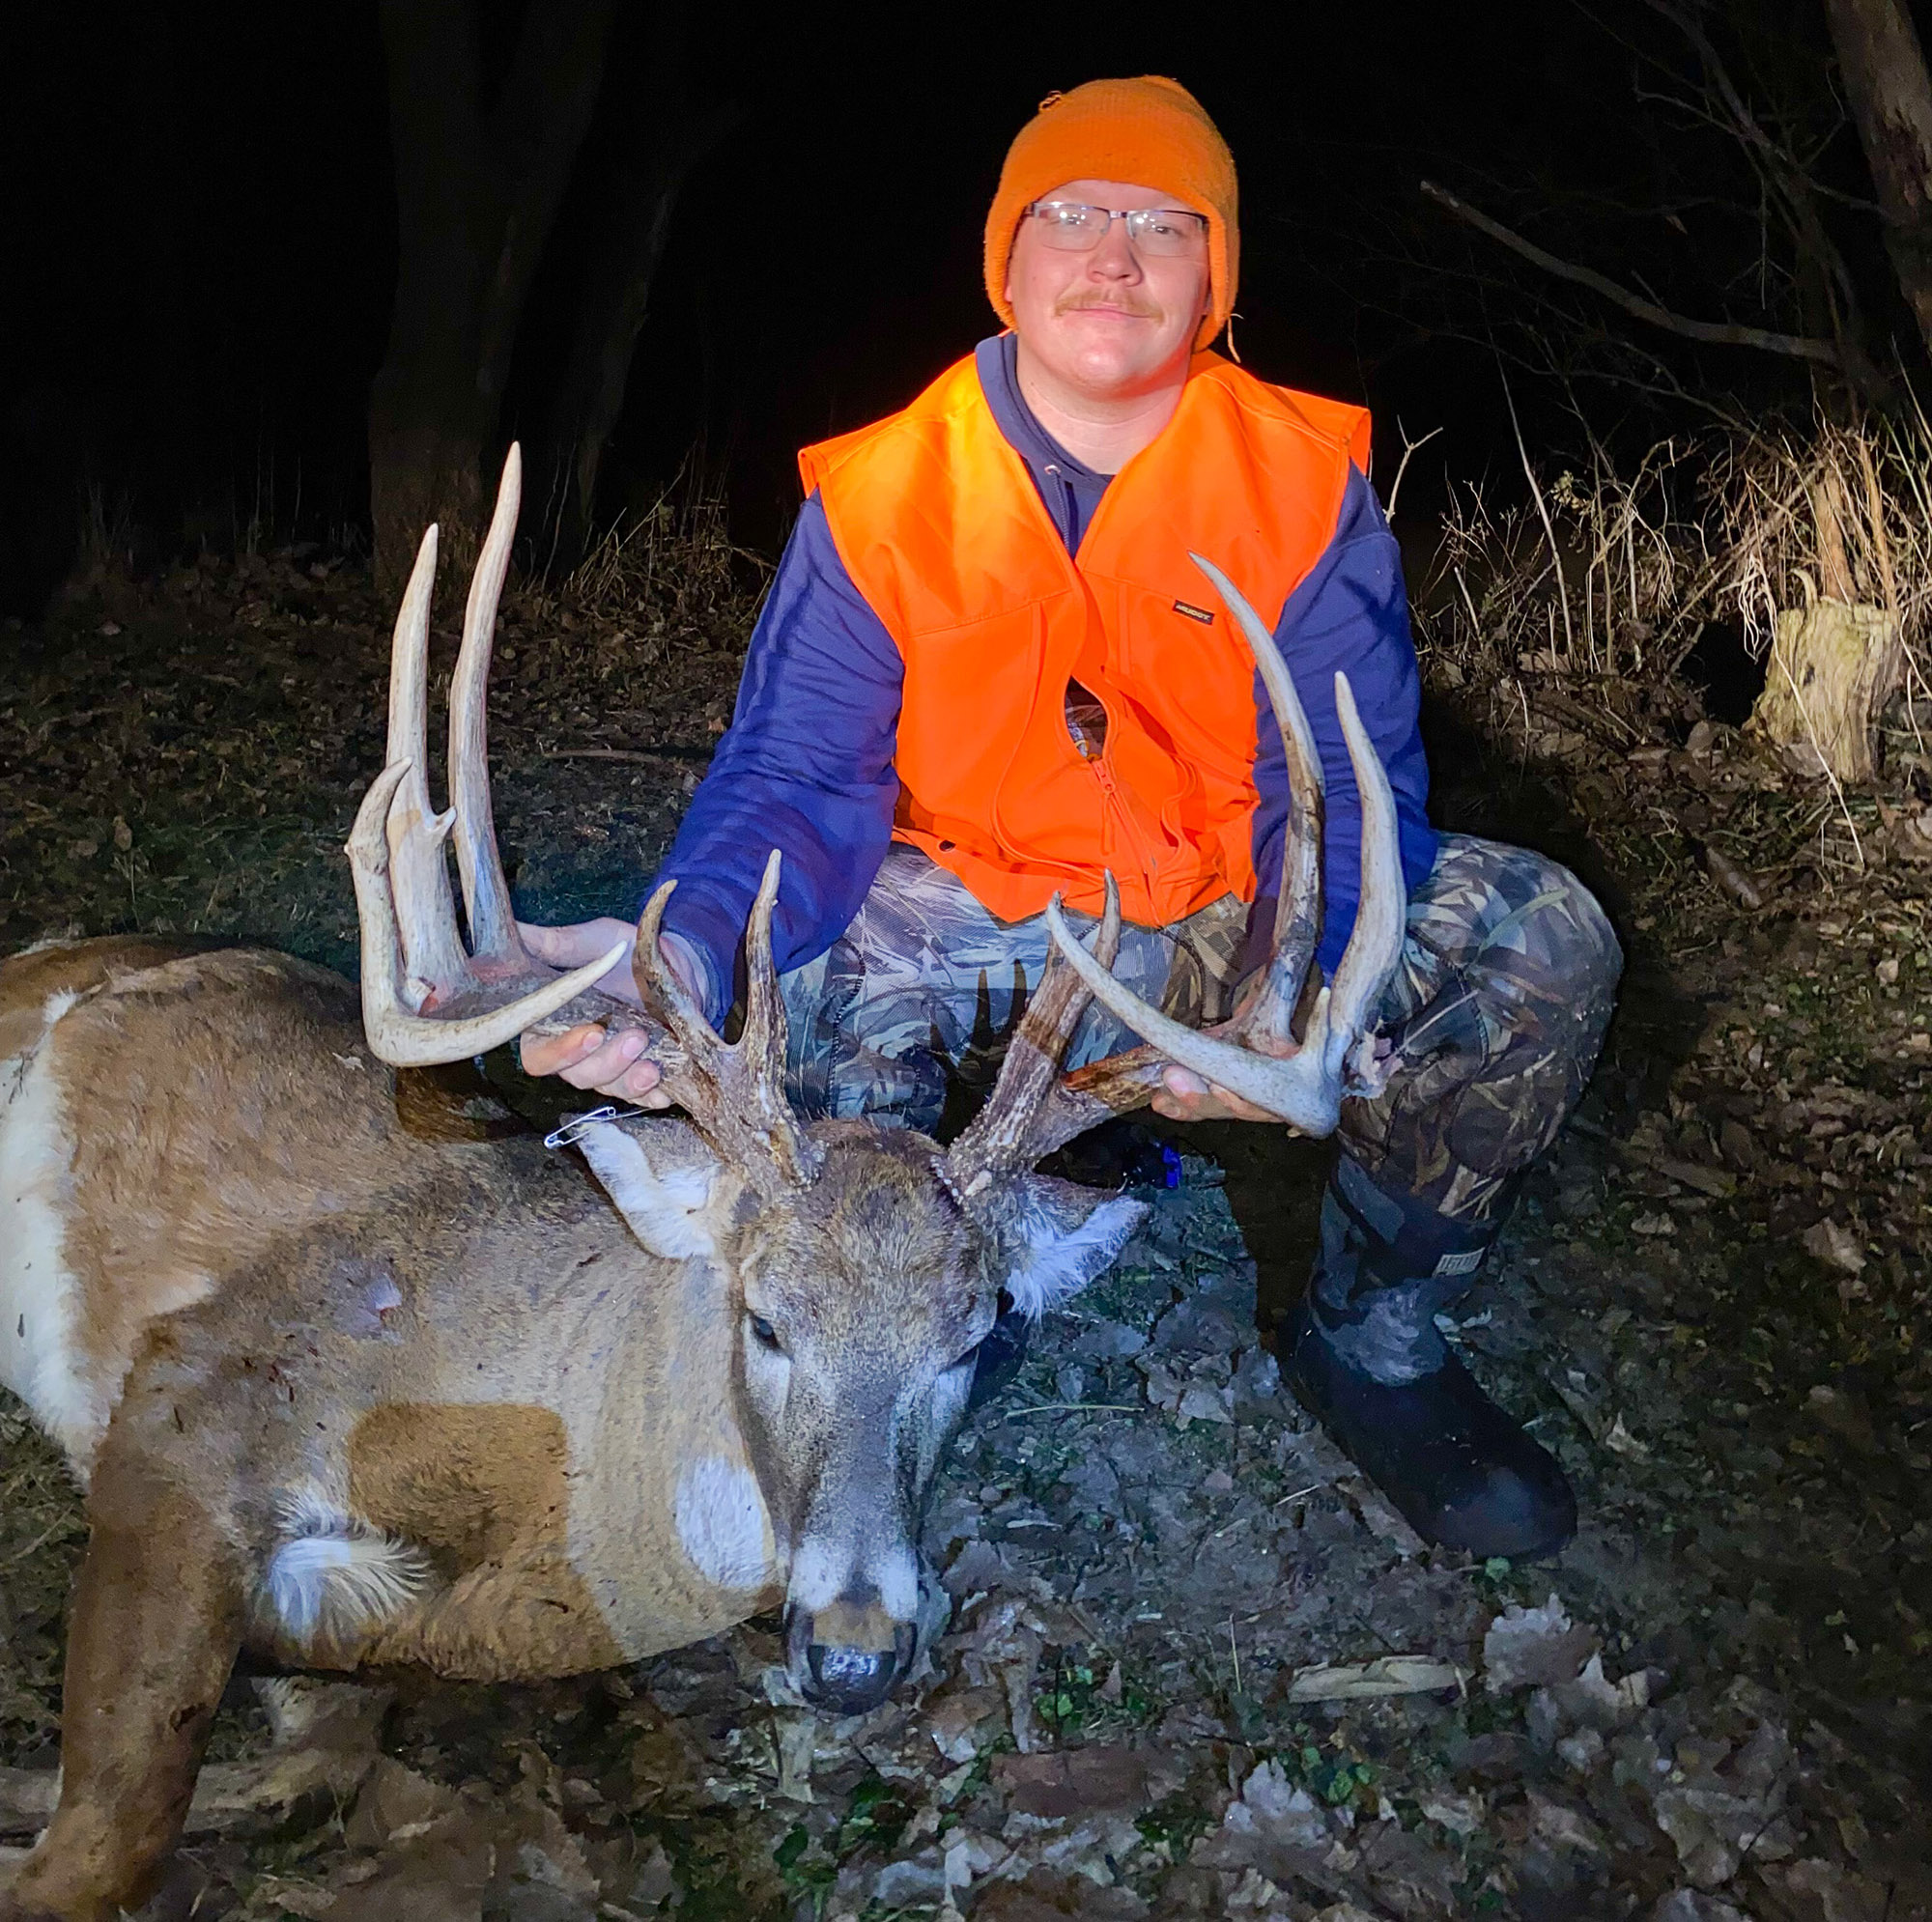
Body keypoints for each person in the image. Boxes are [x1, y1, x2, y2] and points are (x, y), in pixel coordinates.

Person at [518, 77, 1621, 1560]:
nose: (1114, 255)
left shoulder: (1300, 486)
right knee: (791, 982)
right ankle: (874, 1346)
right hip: (978, 915)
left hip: (1219, 910)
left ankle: (1376, 1342)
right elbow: (790, 783)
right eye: (1073, 216)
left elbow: (1356, 793)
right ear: (1009, 261)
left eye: (1164, 223)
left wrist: (1287, 997)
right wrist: (684, 963)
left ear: (1211, 277)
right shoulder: (891, 490)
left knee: (1537, 943)